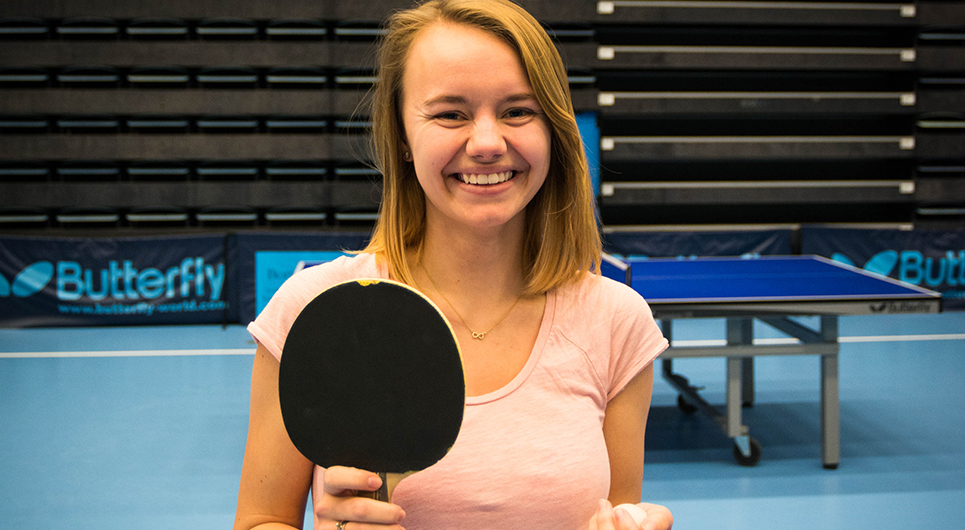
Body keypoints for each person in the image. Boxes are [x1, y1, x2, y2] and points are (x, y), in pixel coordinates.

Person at [233, 1, 673, 529]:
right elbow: (260, 520)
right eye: (450, 114)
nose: (487, 143)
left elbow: (617, 510)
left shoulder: (616, 322)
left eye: (517, 111)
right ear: (400, 133)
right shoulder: (313, 310)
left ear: (553, 127)